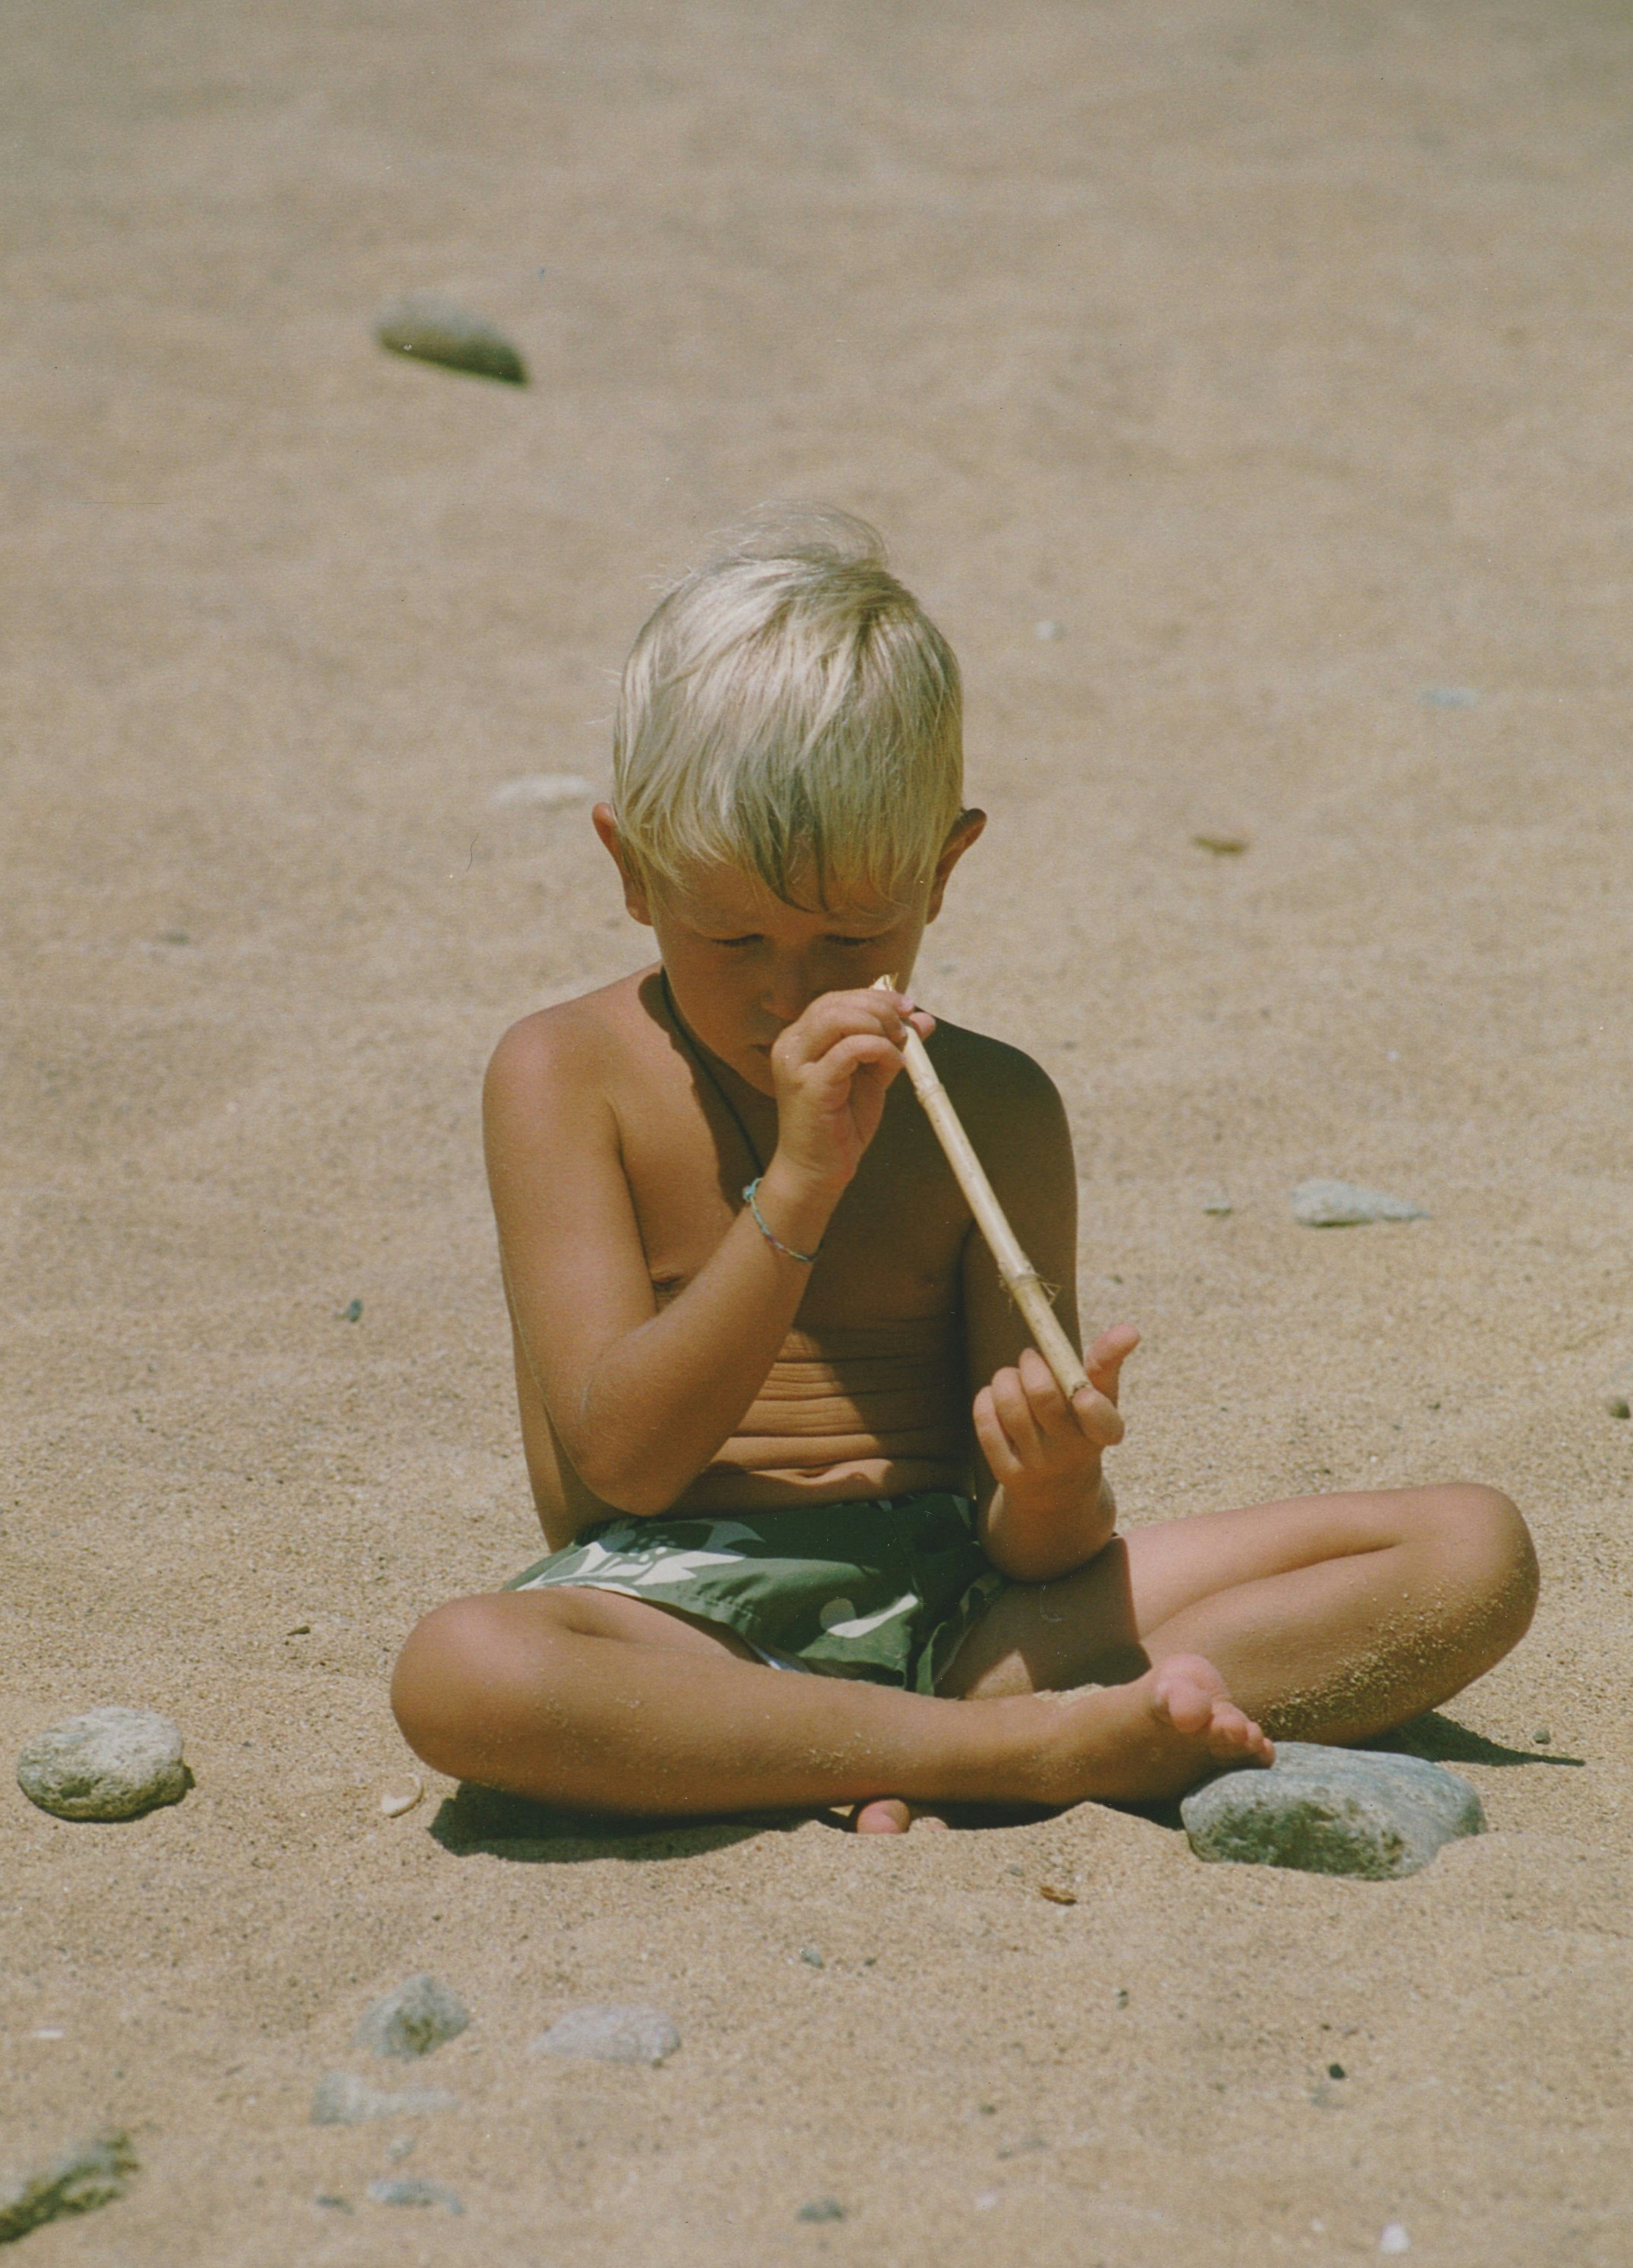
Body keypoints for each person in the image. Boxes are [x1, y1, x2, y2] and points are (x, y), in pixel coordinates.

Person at [392, 516, 1537, 1832]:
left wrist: (1053, 1482)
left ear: (945, 868)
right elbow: (624, 1467)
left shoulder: (995, 1107)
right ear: (631, 873)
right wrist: (802, 1190)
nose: (792, 987)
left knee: (1469, 1549)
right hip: (673, 1615)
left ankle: (908, 1740)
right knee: (465, 1671)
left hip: (969, 1616)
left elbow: (1026, 1544)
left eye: (854, 931)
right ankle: (1013, 1758)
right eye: (735, 935)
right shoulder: (562, 1073)